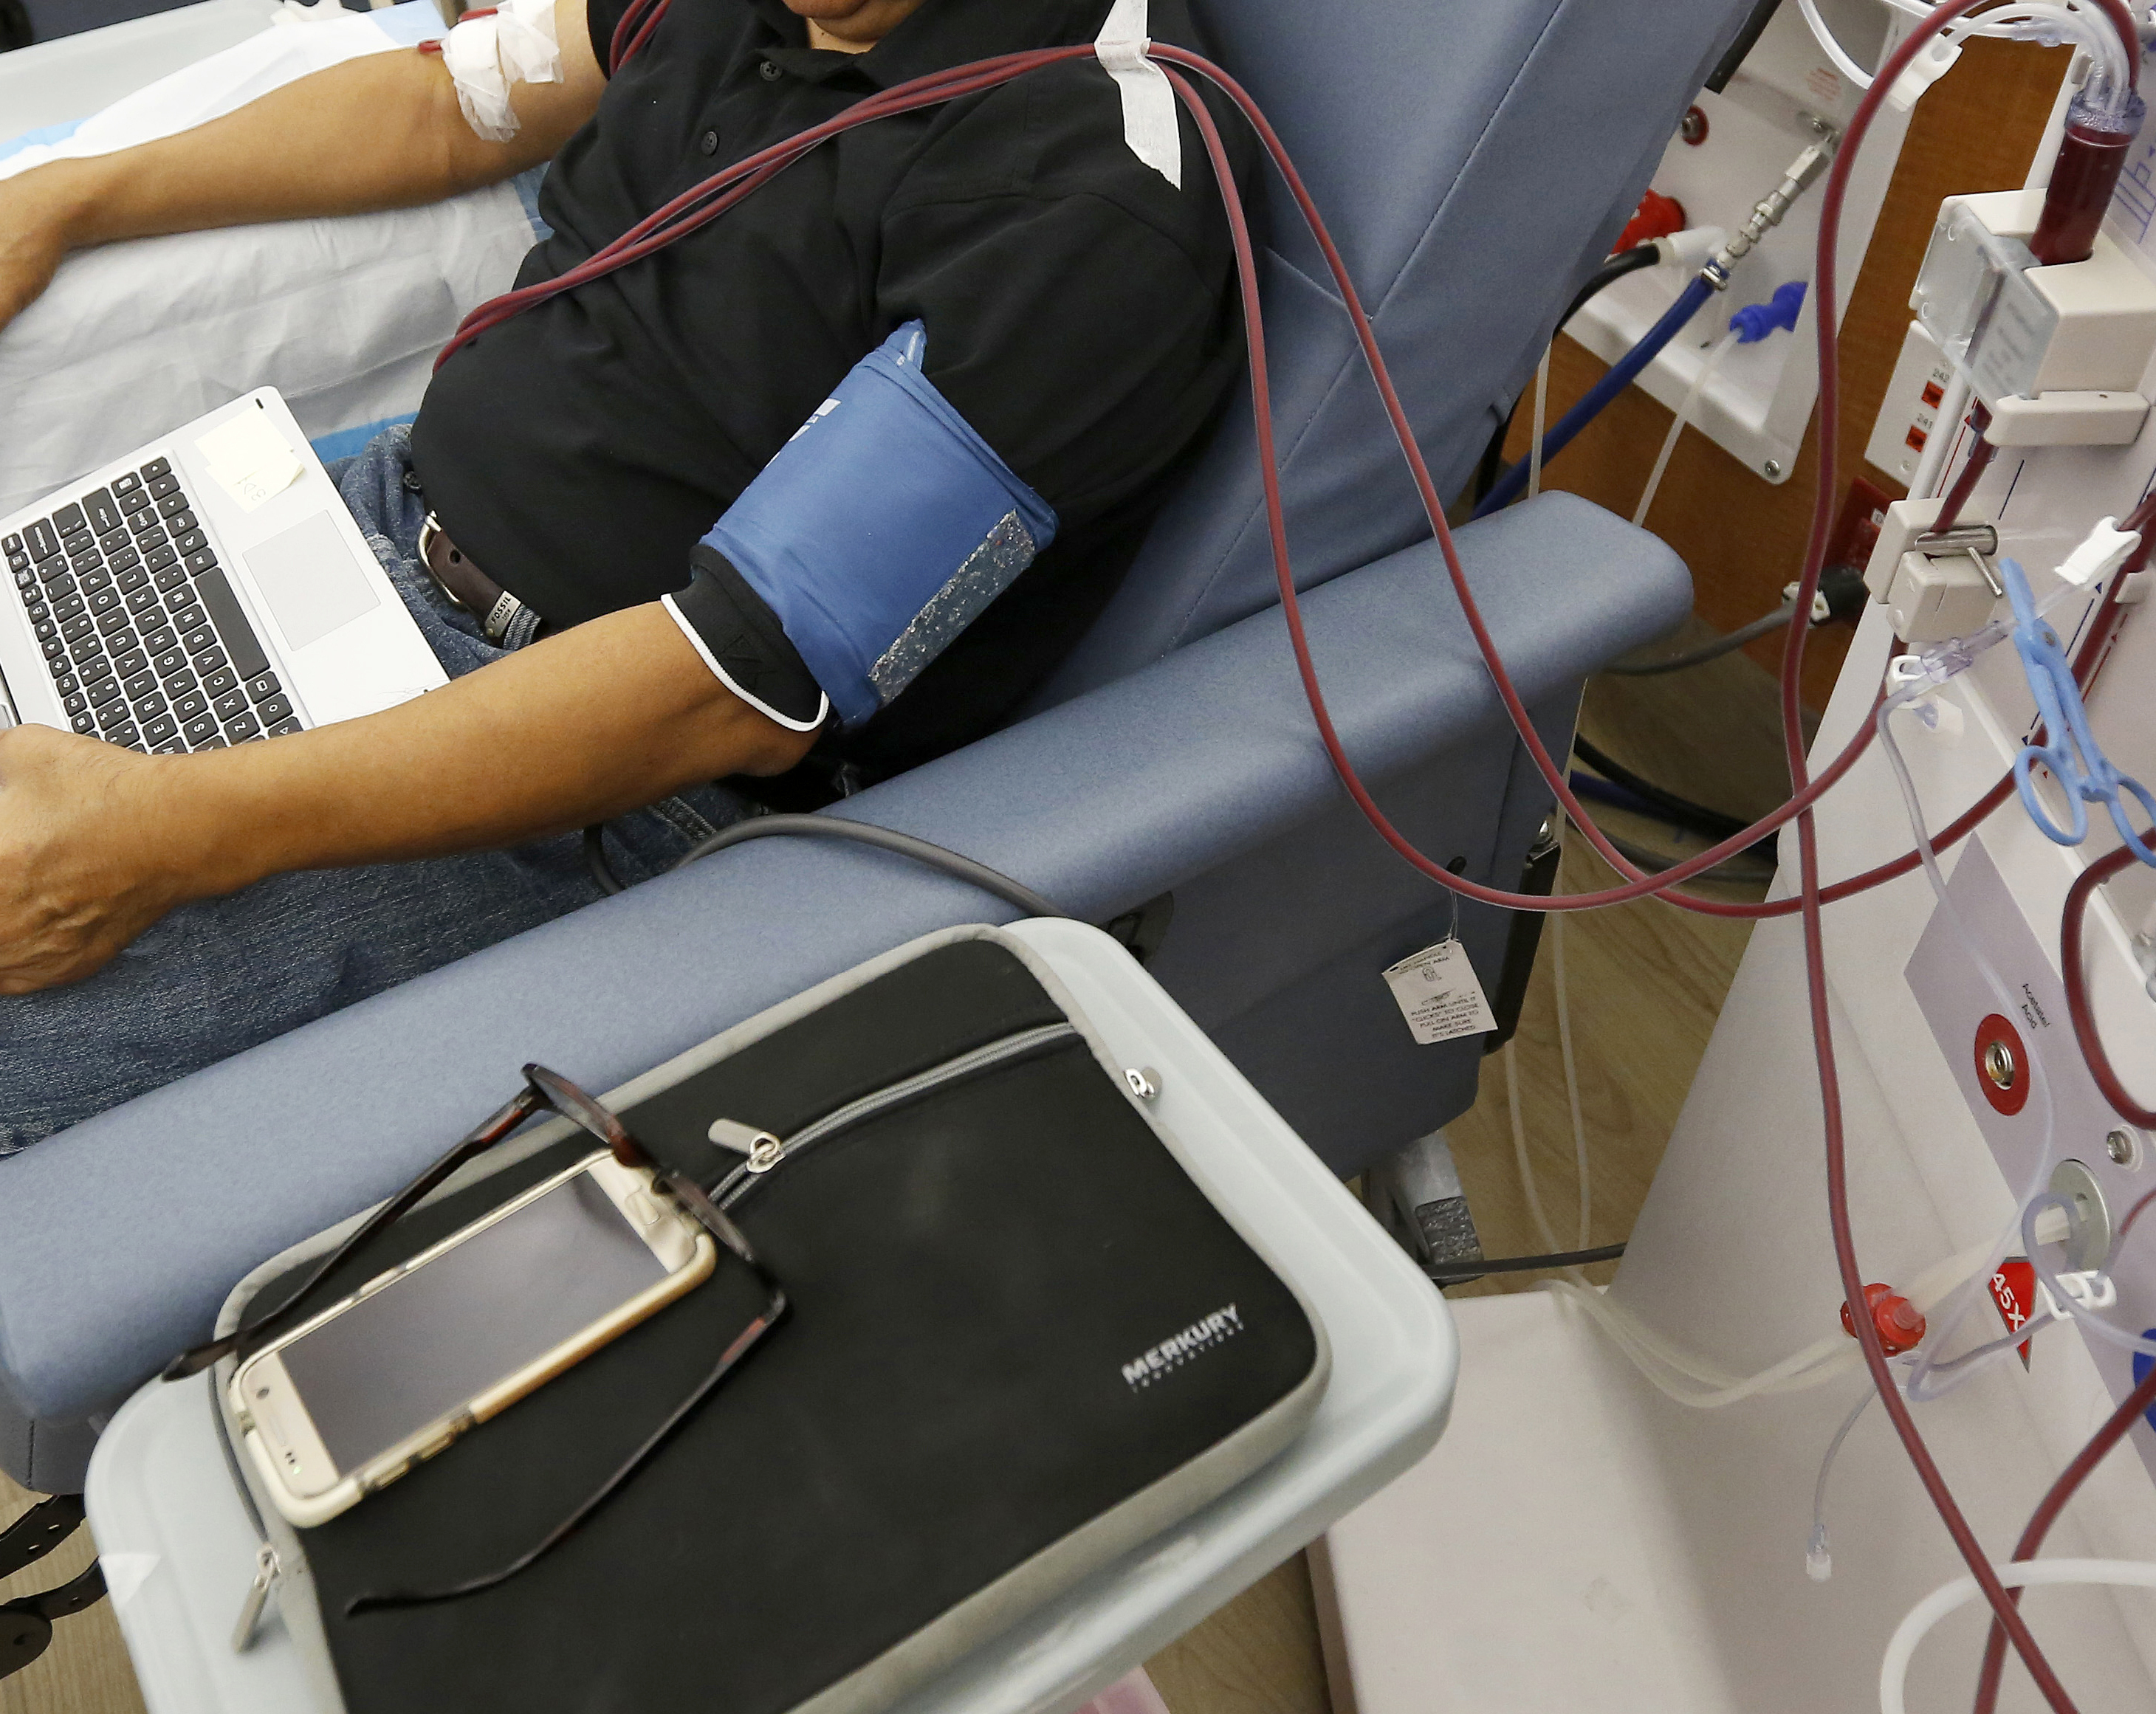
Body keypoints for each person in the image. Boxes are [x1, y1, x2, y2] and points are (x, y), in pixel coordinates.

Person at [0, 0, 1256, 1153]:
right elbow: (448, 106)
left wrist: (170, 832)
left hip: (604, 785)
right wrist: (67, 196)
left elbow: (727, 682)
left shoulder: (1090, 198)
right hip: (357, 530)